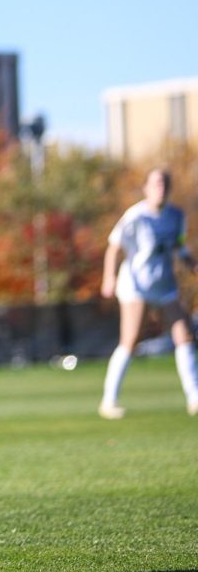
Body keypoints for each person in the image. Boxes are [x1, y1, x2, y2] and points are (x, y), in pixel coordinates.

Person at [99, 168, 198, 419]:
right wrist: (109, 278)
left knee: (184, 336)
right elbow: (114, 248)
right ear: (145, 188)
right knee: (130, 341)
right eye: (155, 184)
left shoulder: (176, 215)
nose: (160, 188)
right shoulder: (135, 216)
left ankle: (194, 396)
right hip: (136, 286)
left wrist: (192, 265)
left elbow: (179, 248)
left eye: (164, 183)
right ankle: (109, 400)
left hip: (164, 286)